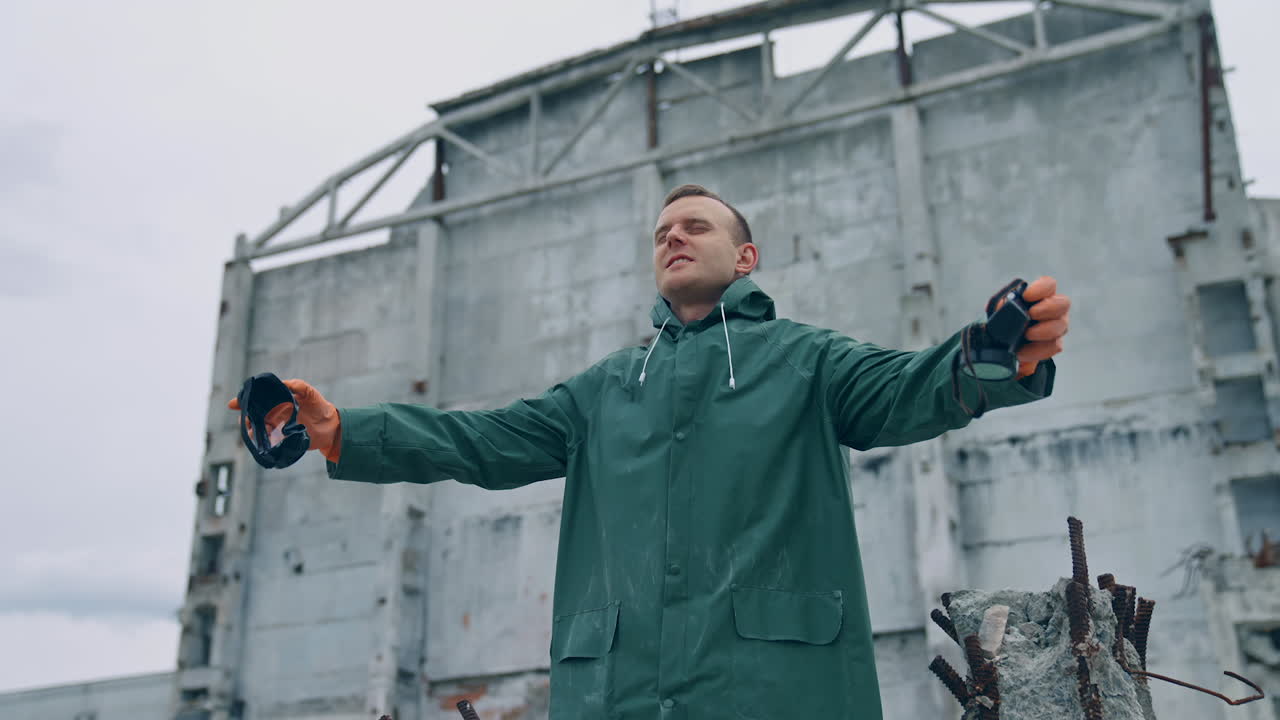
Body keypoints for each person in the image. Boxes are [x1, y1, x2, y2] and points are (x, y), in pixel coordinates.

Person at [230, 184, 1070, 719]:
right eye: (662, 231)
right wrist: (341, 431)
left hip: (775, 696)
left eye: (695, 226)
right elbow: (478, 441)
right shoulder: (605, 390)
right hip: (619, 698)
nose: (672, 237)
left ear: (745, 257)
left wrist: (990, 358)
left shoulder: (806, 361)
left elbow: (909, 388)